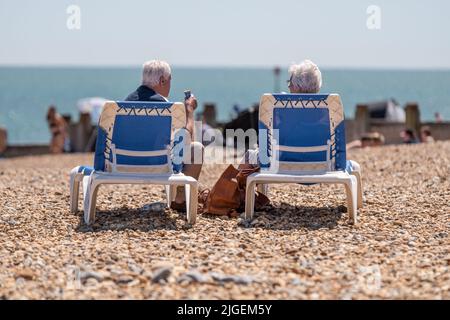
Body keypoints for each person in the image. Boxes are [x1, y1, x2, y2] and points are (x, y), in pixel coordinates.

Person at [125, 60, 204, 211]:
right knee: (197, 149)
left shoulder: (126, 102)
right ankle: (181, 200)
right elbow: (186, 139)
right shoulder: (165, 107)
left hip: (123, 165)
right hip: (157, 165)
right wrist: (189, 111)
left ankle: (181, 198)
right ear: (162, 81)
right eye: (169, 80)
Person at [240, 59, 323, 166]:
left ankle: (243, 183)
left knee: (249, 156)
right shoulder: (326, 108)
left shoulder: (281, 107)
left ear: (297, 86)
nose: (288, 86)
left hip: (283, 164)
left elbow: (265, 145)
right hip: (319, 164)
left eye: (290, 82)